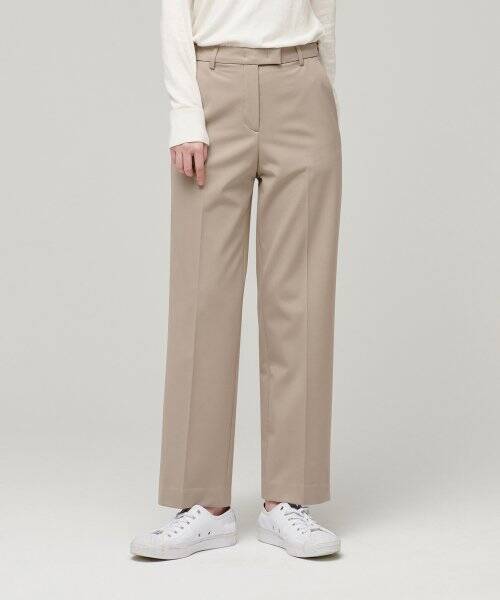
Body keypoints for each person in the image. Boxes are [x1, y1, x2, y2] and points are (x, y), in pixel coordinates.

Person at [131, 0, 342, 560]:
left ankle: (288, 499)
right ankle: (203, 505)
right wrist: (185, 113)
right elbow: (175, 10)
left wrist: (325, 90)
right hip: (215, 84)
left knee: (301, 299)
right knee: (203, 299)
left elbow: (324, 8)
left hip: (303, 81)